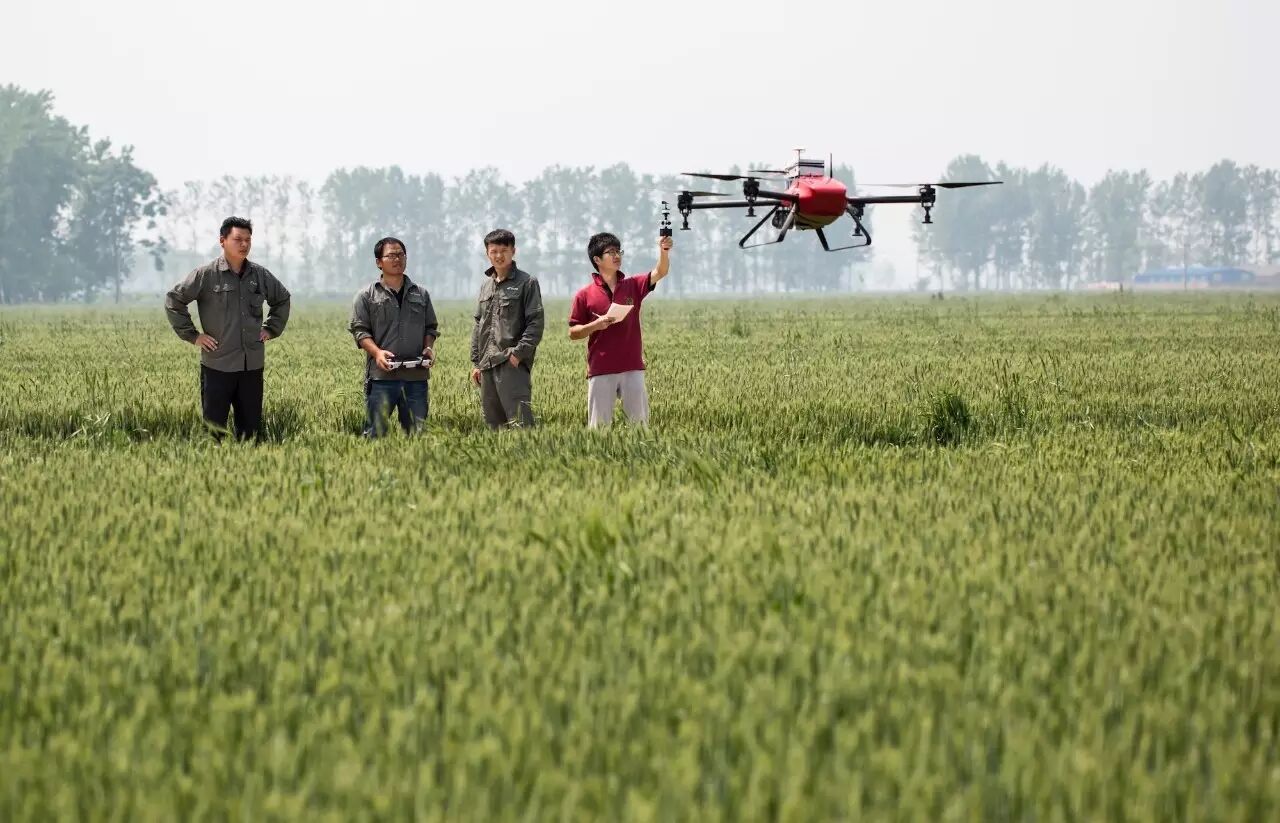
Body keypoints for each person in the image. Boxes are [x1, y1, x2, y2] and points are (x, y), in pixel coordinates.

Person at [164, 216, 291, 441]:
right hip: (217, 366)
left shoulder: (260, 275)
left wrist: (271, 329)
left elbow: (282, 299)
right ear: (222, 241)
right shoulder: (205, 275)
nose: (244, 244)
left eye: (248, 240)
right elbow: (174, 299)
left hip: (251, 365)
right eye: (238, 239)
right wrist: (193, 336)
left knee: (250, 435)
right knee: (213, 435)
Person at [568, 231, 673, 427]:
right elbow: (573, 332)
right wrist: (596, 325)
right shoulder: (584, 295)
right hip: (601, 368)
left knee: (639, 426)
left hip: (632, 366)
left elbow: (661, 271)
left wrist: (664, 250)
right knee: (599, 428)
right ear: (597, 259)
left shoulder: (633, 285)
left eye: (619, 251)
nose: (617, 256)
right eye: (611, 252)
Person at [349, 237, 439, 437]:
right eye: (391, 255)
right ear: (379, 262)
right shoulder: (366, 295)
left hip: (415, 377)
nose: (397, 259)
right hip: (382, 379)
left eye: (401, 254)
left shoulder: (421, 294)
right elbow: (360, 331)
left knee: (417, 434)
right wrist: (377, 353)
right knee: (375, 433)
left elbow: (430, 327)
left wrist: (428, 347)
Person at [469, 229, 544, 428]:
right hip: (487, 364)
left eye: (504, 250)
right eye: (494, 251)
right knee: (494, 425)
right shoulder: (486, 286)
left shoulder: (526, 283)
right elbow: (479, 324)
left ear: (513, 251)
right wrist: (477, 362)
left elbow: (535, 323)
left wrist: (517, 355)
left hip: (511, 363)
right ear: (487, 254)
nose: (499, 256)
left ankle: (526, 458)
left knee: (520, 424)